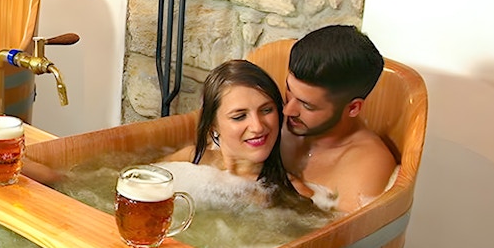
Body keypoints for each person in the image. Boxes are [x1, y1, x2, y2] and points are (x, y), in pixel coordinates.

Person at [280, 25, 397, 214]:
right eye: (288, 90)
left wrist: (299, 198)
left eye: (307, 105)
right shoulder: (277, 119)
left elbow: (342, 237)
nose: (288, 110)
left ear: (353, 108)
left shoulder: (366, 165)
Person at [163, 59, 311, 208]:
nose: (257, 127)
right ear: (213, 126)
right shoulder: (191, 160)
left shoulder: (295, 195)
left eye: (266, 110)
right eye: (239, 117)